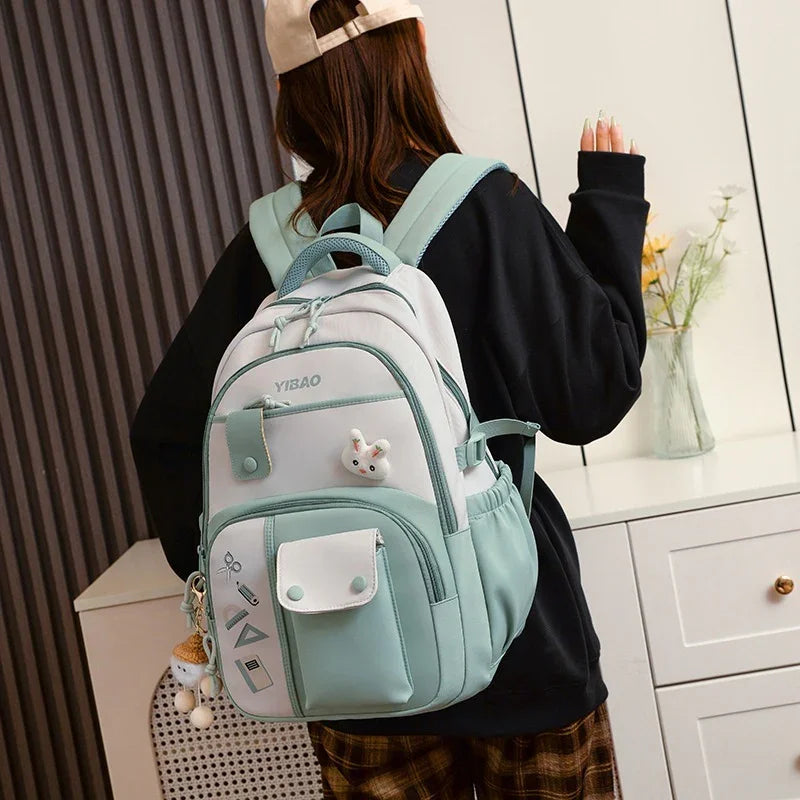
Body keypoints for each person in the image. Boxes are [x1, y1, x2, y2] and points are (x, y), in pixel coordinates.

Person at [130, 0, 650, 796]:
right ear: (414, 49)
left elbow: (166, 434)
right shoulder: (485, 204)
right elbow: (593, 396)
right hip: (521, 639)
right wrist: (608, 205)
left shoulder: (270, 245)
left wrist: (230, 573)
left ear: (291, 91)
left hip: (350, 653)